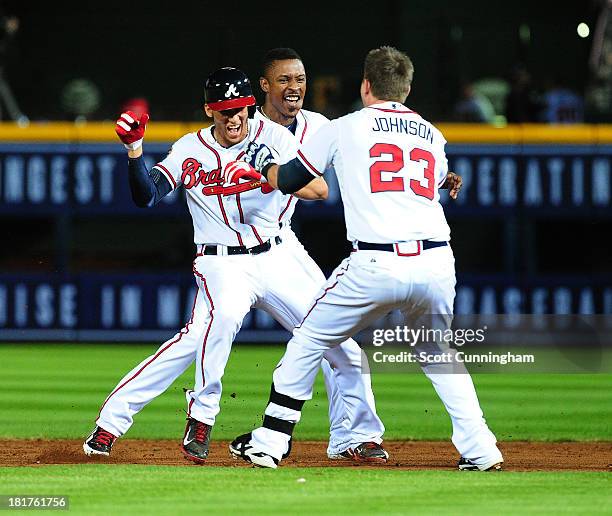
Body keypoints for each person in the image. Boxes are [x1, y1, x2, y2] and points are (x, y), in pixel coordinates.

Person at [83, 67, 387, 464]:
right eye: (224, 110)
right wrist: (135, 149)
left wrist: (269, 172)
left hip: (279, 254)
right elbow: (148, 196)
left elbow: (320, 190)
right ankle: (194, 417)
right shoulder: (190, 149)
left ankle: (357, 436)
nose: (234, 118)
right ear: (209, 110)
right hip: (221, 261)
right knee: (220, 320)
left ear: (251, 106)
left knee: (340, 343)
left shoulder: (274, 137)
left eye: (240, 109)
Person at [225, 46, 503, 471]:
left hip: (375, 262)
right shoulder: (432, 133)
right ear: (407, 89)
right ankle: (482, 449)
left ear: (365, 86)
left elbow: (293, 180)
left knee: (309, 340)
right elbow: (427, 183)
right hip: (436, 262)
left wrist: (265, 165)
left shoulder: (344, 127)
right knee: (438, 354)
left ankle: (269, 440)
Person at [252, 47, 387, 461]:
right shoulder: (240, 123)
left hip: (280, 246)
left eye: (300, 79)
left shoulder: (318, 125)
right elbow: (317, 189)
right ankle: (128, 429)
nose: (294, 88)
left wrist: (438, 173)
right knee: (199, 343)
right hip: (224, 253)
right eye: (284, 80)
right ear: (264, 85)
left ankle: (352, 437)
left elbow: (365, 157)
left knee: (342, 346)